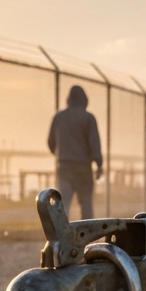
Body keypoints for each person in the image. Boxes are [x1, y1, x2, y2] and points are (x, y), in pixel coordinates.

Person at [47, 85, 103, 219]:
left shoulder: (58, 117)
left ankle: (61, 236)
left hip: (64, 168)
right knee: (86, 206)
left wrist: (61, 155)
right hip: (83, 169)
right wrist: (99, 164)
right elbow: (94, 143)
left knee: (63, 205)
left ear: (69, 99)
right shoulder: (88, 118)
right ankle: (87, 236)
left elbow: (50, 142)